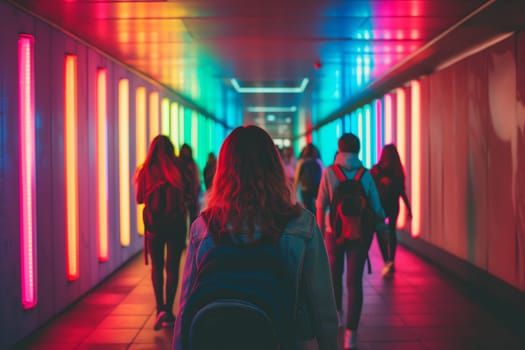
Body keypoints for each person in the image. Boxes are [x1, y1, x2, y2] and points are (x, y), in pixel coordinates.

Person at [173, 125, 338, 350]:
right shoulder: (302, 225)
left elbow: (185, 309)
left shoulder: (203, 227)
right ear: (274, 167)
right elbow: (324, 310)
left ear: (223, 169)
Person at [316, 133, 386, 350]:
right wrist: (382, 230)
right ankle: (351, 335)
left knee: (334, 274)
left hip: (333, 232)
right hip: (360, 235)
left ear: (339, 148)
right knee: (354, 282)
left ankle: (337, 314)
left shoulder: (329, 172)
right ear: (358, 150)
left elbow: (321, 204)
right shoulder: (365, 175)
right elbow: (376, 207)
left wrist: (321, 231)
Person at [135, 135, 187, 330]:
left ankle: (160, 310)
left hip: (154, 227)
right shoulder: (178, 167)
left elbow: (140, 199)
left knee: (156, 267)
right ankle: (170, 312)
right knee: (172, 266)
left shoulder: (145, 170)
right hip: (176, 226)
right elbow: (188, 193)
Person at [370, 144, 413, 276]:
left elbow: (371, 189)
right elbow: (402, 191)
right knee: (392, 231)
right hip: (393, 205)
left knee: (380, 232)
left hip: (379, 206)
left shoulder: (376, 170)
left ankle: (386, 261)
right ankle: (392, 261)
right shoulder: (398, 171)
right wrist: (409, 209)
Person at [295, 143, 322, 213]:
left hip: (305, 188)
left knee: (307, 207)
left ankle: (310, 221)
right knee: (317, 206)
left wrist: (295, 188)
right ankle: (317, 220)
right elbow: (323, 174)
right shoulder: (318, 161)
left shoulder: (301, 162)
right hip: (316, 187)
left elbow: (297, 177)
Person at [179, 143, 201, 223]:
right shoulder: (191, 165)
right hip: (185, 197)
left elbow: (196, 182)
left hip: (189, 197)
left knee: (191, 219)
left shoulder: (191, 165)